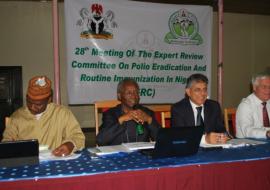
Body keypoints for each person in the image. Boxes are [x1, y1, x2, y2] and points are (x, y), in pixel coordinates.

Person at [2, 76, 85, 156]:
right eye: (29, 102)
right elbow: (6, 142)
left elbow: (78, 137)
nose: (32, 107)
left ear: (49, 100)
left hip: (54, 162)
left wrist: (69, 145)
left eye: (38, 104)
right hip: (27, 163)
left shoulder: (62, 113)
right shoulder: (17, 117)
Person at [96, 78, 161, 146]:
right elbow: (101, 140)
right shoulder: (111, 114)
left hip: (142, 154)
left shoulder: (147, 113)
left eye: (136, 92)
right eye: (129, 93)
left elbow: (162, 140)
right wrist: (122, 119)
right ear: (119, 96)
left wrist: (149, 120)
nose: (133, 96)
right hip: (119, 154)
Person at [171, 73, 228, 144]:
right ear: (188, 92)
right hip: (189, 150)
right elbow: (180, 136)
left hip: (212, 150)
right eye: (198, 90)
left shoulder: (214, 106)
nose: (203, 93)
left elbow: (221, 130)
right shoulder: (178, 109)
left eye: (205, 89)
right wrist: (205, 139)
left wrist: (222, 137)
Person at [236, 72, 270, 138]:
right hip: (247, 145)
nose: (268, 90)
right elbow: (247, 131)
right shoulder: (245, 105)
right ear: (254, 87)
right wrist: (266, 133)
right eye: (264, 87)